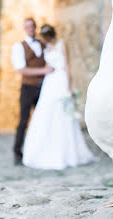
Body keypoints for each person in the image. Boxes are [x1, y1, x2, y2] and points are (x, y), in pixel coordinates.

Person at [21, 24, 97, 170]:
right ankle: (44, 150)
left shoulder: (62, 44)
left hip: (61, 80)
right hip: (49, 82)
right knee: (46, 114)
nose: (46, 41)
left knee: (63, 115)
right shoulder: (46, 47)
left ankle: (67, 153)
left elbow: (67, 66)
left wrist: (69, 87)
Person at [11, 17, 54, 165]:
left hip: (43, 88)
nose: (30, 28)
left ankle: (41, 151)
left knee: (42, 120)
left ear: (35, 28)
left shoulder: (43, 45)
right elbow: (21, 69)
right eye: (27, 26)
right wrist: (43, 70)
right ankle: (17, 153)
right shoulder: (19, 46)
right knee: (23, 121)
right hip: (28, 88)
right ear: (24, 28)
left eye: (32, 26)